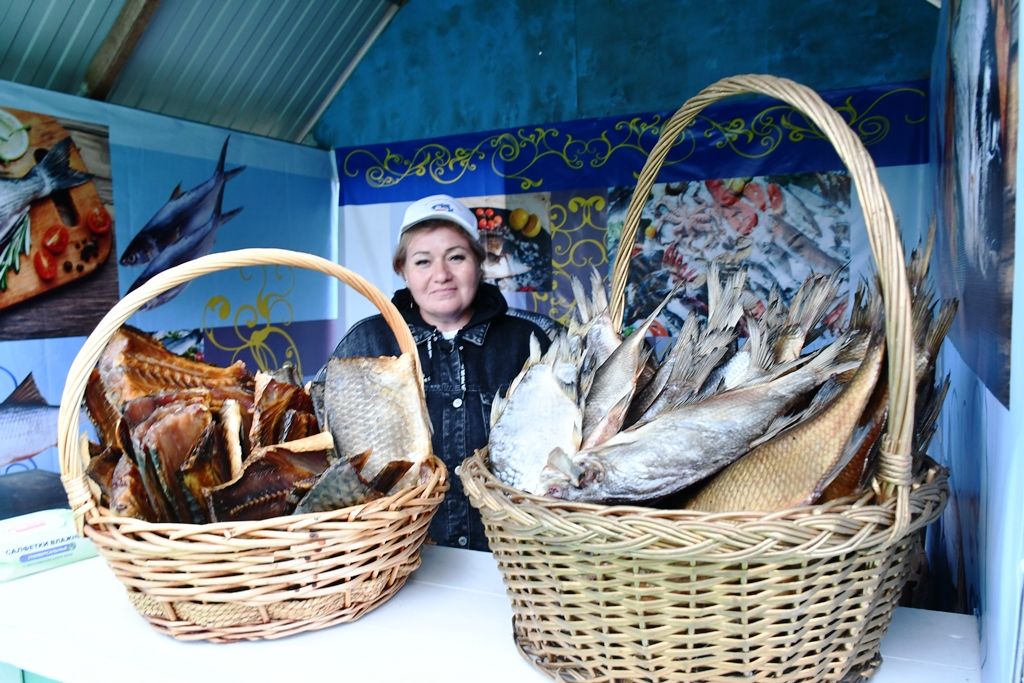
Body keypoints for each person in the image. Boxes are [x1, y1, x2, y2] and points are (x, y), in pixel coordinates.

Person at [318, 194, 559, 551]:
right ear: (402, 270)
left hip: (514, 555)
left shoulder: (531, 339)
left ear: (480, 262)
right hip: (399, 557)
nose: (441, 275)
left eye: (456, 257)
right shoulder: (365, 343)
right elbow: (326, 453)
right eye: (423, 261)